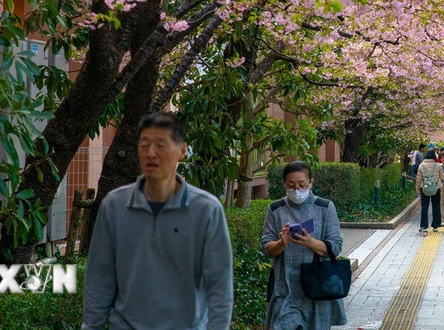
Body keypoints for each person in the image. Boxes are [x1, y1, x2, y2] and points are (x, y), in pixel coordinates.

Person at [83, 112, 232, 330]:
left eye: (160, 145)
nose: (151, 153)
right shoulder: (114, 206)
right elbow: (99, 278)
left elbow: (219, 287)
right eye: (144, 145)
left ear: (182, 150)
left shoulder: (206, 210)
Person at [262, 161, 347, 329]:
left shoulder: (324, 207)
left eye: (302, 185)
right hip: (285, 290)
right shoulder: (275, 209)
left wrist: (310, 242)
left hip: (317, 287)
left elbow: (335, 247)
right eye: (291, 185)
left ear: (310, 183)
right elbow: (267, 247)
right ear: (284, 184)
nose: (297, 190)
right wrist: (282, 242)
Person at [416, 149, 442, 235]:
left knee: (424, 207)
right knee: (436, 206)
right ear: (434, 156)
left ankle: (424, 226)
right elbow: (441, 177)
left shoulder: (421, 166)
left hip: (425, 188)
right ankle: (435, 226)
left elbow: (418, 179)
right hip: (435, 188)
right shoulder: (438, 166)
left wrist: (418, 190)